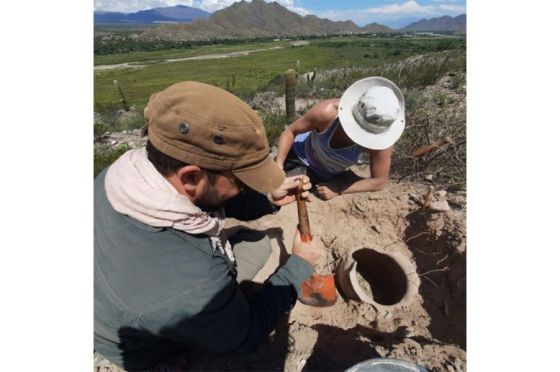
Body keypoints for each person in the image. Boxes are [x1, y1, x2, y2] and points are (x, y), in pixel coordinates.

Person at [94, 81, 322, 371]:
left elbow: (210, 197)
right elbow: (244, 337)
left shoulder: (124, 175)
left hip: (122, 296)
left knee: (257, 244)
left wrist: (268, 198)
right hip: (141, 344)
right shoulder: (190, 278)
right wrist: (300, 265)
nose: (243, 188)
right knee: (232, 318)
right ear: (190, 177)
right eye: (241, 181)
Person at [275, 76, 406, 200]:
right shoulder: (328, 112)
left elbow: (379, 181)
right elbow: (291, 131)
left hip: (320, 174)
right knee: (269, 188)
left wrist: (338, 188)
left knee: (276, 194)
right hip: (298, 152)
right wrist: (279, 164)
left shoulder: (382, 141)